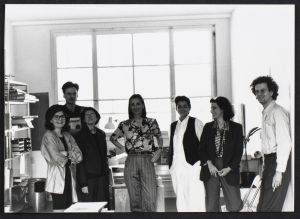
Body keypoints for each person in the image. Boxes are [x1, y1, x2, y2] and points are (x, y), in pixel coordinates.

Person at [110, 94, 163, 212]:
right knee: (135, 199)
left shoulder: (152, 122)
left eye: (138, 103)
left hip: (147, 159)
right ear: (130, 107)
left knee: (150, 196)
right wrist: (123, 148)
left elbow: (159, 137)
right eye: (132, 104)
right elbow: (113, 138)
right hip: (131, 160)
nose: (135, 107)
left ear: (143, 105)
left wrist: (159, 150)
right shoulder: (124, 124)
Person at [250, 76, 291, 212]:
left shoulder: (277, 112)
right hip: (268, 162)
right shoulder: (266, 112)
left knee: (270, 208)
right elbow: (271, 141)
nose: (259, 94)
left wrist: (279, 172)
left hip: (277, 163)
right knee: (261, 207)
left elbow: (285, 143)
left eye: (263, 91)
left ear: (272, 92)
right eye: (256, 91)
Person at [199, 96, 243, 212]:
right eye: (211, 108)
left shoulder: (237, 128)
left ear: (222, 109)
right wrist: (208, 163)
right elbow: (201, 149)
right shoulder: (208, 127)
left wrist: (229, 168)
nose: (211, 111)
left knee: (234, 206)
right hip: (211, 167)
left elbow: (238, 152)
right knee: (211, 206)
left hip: (229, 167)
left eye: (214, 108)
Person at [40, 104, 82, 210]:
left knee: (70, 208)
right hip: (57, 178)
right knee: (60, 209)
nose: (60, 119)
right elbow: (56, 157)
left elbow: (79, 156)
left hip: (70, 175)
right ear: (50, 120)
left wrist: (65, 153)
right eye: (56, 116)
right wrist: (69, 154)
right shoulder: (49, 135)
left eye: (62, 116)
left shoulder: (67, 135)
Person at [167, 96, 205, 212]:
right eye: (179, 106)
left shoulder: (196, 122)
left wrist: (201, 163)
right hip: (177, 167)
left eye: (185, 106)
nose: (182, 109)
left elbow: (204, 144)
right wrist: (171, 166)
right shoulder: (173, 125)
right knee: (181, 197)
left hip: (192, 166)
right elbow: (172, 146)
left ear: (189, 108)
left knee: (195, 196)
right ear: (176, 108)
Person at [74, 107, 109, 202]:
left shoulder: (101, 133)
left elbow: (103, 156)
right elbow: (79, 161)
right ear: (83, 119)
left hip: (102, 177)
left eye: (92, 114)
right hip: (88, 179)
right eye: (87, 115)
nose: (90, 116)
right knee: (89, 207)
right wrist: (83, 183)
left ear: (97, 117)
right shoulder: (79, 136)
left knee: (103, 206)